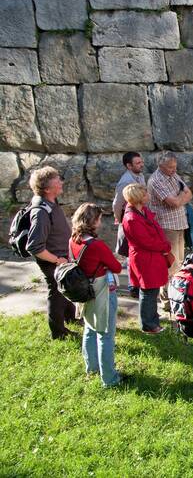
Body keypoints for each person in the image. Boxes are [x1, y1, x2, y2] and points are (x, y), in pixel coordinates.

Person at [69, 203, 124, 387]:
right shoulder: (96, 245)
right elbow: (116, 267)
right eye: (99, 219)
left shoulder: (73, 240)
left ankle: (91, 367)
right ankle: (109, 378)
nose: (100, 222)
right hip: (100, 290)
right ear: (93, 221)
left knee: (89, 328)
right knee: (105, 334)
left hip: (83, 289)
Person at [25, 166, 77, 339]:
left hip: (62, 257)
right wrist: (57, 260)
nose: (61, 183)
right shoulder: (40, 212)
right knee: (56, 292)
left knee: (67, 286)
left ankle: (71, 318)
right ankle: (58, 332)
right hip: (53, 259)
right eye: (57, 181)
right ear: (47, 189)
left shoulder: (51, 202)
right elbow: (34, 246)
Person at [121, 184, 171, 334]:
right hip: (144, 258)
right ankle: (148, 325)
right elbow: (146, 242)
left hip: (151, 256)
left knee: (152, 289)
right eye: (145, 194)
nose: (148, 196)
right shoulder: (131, 218)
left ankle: (152, 318)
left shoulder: (141, 211)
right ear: (137, 198)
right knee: (148, 290)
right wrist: (164, 246)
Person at [147, 151, 193, 311]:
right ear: (160, 166)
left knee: (179, 262)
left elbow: (190, 194)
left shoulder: (173, 175)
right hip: (167, 226)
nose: (173, 170)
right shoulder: (156, 180)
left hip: (180, 223)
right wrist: (181, 196)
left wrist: (179, 198)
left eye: (175, 166)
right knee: (170, 265)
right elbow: (173, 202)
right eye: (170, 167)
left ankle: (176, 297)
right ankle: (167, 301)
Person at [112, 151, 146, 297]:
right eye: (137, 163)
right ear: (128, 166)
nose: (141, 164)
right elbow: (117, 203)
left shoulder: (140, 176)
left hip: (140, 217)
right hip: (130, 219)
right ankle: (133, 286)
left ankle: (138, 283)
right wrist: (120, 219)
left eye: (141, 161)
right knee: (132, 254)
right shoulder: (126, 181)